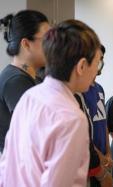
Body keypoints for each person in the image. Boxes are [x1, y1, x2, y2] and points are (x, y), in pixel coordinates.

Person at [0, 19, 102, 186]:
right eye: (98, 63)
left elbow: (7, 161)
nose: (97, 71)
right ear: (82, 66)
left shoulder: (30, 96)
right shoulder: (71, 118)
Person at [0, 10, 50, 154]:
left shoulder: (31, 77)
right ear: (26, 44)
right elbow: (36, 134)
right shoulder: (16, 81)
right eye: (46, 40)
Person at [81, 45, 113, 186]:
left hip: (102, 156)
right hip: (89, 159)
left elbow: (103, 123)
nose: (101, 63)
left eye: (102, 59)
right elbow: (82, 133)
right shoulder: (80, 90)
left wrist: (108, 152)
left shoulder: (99, 88)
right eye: (97, 59)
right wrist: (100, 157)